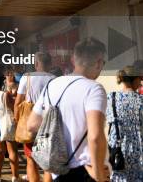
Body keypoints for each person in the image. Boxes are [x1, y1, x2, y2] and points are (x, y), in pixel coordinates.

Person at [27, 38, 109, 182]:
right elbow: (95, 136)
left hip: (57, 171)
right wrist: (99, 175)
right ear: (98, 62)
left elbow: (32, 124)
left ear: (73, 59)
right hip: (84, 170)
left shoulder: (52, 84)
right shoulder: (94, 88)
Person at [15, 51, 55, 182]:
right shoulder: (55, 79)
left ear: (36, 63)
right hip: (49, 124)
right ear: (49, 64)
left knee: (31, 160)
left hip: (30, 124)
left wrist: (17, 121)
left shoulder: (26, 77)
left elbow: (17, 102)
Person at [106, 66, 142, 182]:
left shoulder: (111, 98)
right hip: (138, 151)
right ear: (135, 79)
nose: (141, 82)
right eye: (140, 79)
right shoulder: (140, 100)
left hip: (117, 151)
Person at [0, 74, 20, 182]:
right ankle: (15, 177)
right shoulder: (5, 94)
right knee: (12, 151)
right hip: (6, 121)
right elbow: (12, 107)